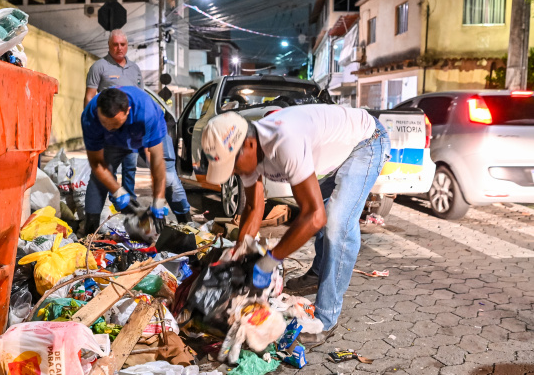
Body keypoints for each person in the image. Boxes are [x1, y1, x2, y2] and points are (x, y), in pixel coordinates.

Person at [201, 105, 391, 348]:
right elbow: (253, 208)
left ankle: (325, 318)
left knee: (335, 222)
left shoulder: (284, 140)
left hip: (368, 141)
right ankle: (317, 274)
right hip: (341, 153)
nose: (234, 172)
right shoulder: (250, 152)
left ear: (248, 145)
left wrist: (270, 261)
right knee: (319, 206)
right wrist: (241, 254)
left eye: (233, 165)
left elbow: (315, 217)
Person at [82, 86, 169, 234]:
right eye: (105, 123)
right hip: (112, 140)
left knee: (171, 179)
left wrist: (159, 201)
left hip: (140, 131)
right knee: (98, 180)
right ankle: (90, 229)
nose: (109, 127)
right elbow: (96, 163)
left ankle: (184, 221)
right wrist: (119, 193)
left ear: (127, 110)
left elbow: (156, 161)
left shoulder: (147, 113)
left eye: (114, 123)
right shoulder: (90, 117)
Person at [84, 29, 143, 202]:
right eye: (115, 44)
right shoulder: (99, 67)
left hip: (130, 127)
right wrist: (91, 124)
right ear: (109, 45)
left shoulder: (135, 69)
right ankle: (115, 199)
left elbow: (140, 96)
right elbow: (90, 95)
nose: (119, 48)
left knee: (130, 166)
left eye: (122, 44)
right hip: (109, 127)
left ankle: (129, 199)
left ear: (127, 46)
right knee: (110, 166)